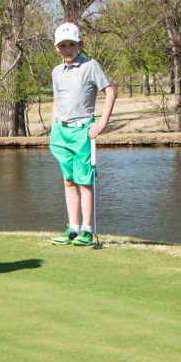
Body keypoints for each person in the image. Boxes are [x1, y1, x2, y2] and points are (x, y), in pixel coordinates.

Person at [48, 21, 116, 246]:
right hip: (61, 131)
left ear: (80, 44)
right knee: (68, 180)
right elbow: (57, 101)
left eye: (72, 44)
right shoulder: (56, 72)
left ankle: (86, 230)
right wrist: (52, 127)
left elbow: (110, 91)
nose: (68, 49)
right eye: (63, 45)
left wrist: (102, 124)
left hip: (83, 132)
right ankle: (73, 229)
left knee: (84, 181)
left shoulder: (91, 66)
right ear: (57, 47)